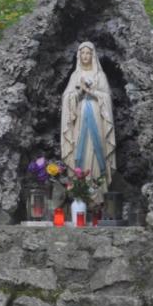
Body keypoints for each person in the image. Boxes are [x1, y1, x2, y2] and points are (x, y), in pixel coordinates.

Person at [61, 41, 116, 202]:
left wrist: (91, 92)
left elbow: (107, 97)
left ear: (93, 55)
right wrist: (78, 92)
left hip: (97, 117)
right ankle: (80, 190)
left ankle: (99, 192)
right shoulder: (75, 76)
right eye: (83, 53)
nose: (85, 56)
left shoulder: (100, 76)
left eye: (88, 53)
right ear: (79, 56)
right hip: (79, 118)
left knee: (97, 146)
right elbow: (67, 98)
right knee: (80, 147)